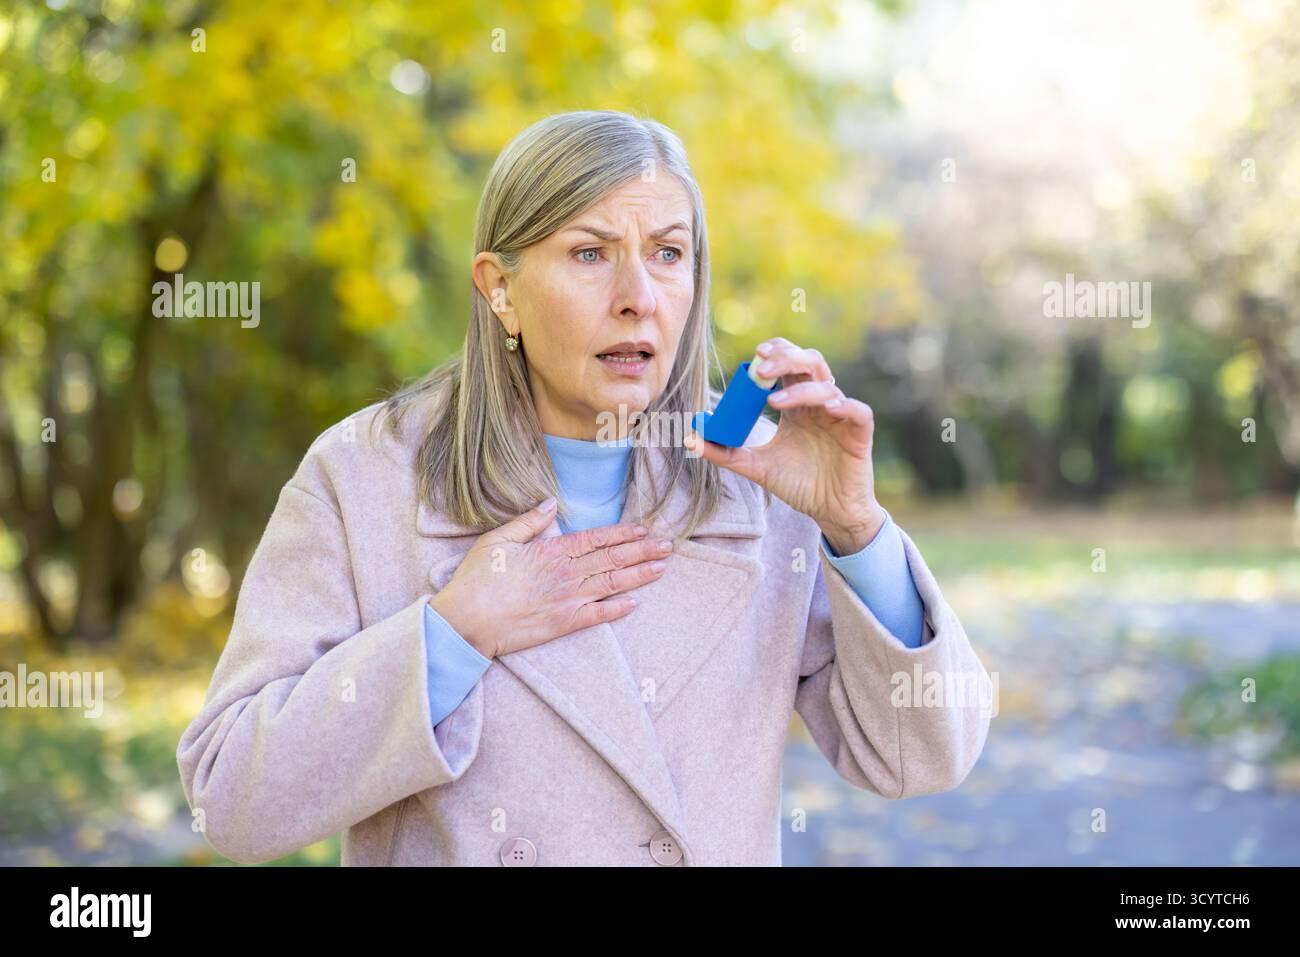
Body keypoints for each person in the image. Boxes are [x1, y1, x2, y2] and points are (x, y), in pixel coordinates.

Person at [176, 109, 992, 867]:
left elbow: (921, 755)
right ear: (500, 288)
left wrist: (855, 525)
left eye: (668, 254)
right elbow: (234, 798)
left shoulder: (759, 478)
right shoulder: (363, 474)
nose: (638, 296)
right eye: (591, 252)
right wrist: (452, 634)